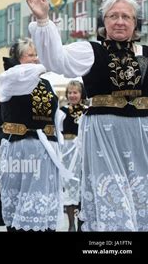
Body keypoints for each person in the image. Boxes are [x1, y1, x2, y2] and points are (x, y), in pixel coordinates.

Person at [27, 0, 148, 231]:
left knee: (143, 195)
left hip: (143, 137)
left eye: (126, 16)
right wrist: (43, 21)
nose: (119, 22)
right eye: (113, 16)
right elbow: (55, 60)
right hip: (105, 134)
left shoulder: (147, 53)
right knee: (111, 195)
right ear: (103, 21)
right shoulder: (90, 50)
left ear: (136, 23)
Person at [0, 38, 72, 232]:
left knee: (43, 198)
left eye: (37, 55)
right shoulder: (12, 77)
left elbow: (53, 115)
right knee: (21, 196)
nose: (36, 59)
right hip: (21, 148)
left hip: (46, 148)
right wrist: (53, 60)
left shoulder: (45, 82)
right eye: (31, 55)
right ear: (18, 58)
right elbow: (24, 74)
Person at [57, 80, 87, 231]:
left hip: (82, 151)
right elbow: (57, 131)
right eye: (70, 92)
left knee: (82, 185)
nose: (72, 95)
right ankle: (71, 224)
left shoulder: (87, 110)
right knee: (69, 185)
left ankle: (82, 221)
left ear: (81, 94)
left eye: (75, 92)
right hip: (67, 151)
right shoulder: (62, 111)